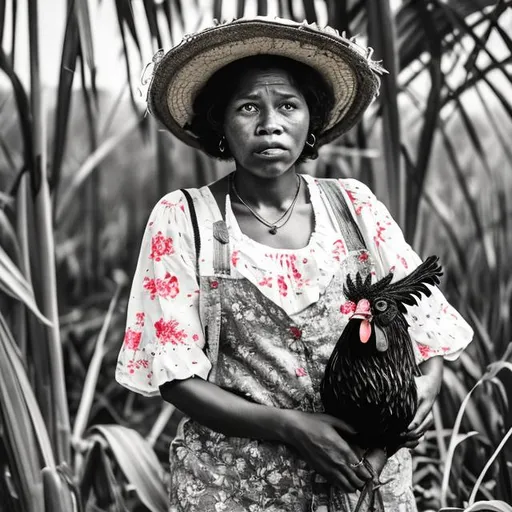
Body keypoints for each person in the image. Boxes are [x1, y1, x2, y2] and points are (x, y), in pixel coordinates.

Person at [116, 17, 473, 512]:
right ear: (220, 122)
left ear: (311, 119)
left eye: (287, 104)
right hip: (234, 490)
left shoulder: (355, 206)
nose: (270, 123)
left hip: (367, 485)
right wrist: (292, 427)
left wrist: (423, 389)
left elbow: (426, 322)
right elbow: (175, 377)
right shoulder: (183, 219)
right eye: (248, 107)